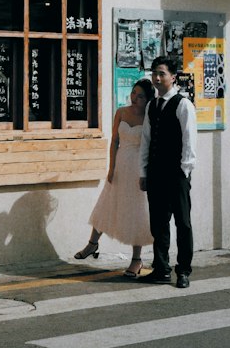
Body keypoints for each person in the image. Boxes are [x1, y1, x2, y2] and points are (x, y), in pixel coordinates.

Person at [75, 78, 154, 277]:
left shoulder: (149, 117)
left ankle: (137, 258)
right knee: (108, 203)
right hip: (121, 164)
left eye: (141, 95)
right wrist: (111, 168)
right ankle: (92, 243)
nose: (135, 98)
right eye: (134, 93)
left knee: (138, 210)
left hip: (139, 166)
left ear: (148, 99)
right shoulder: (121, 112)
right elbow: (114, 142)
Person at [138, 55, 196, 288]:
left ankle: (183, 270)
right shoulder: (152, 105)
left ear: (173, 77)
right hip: (155, 173)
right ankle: (161, 268)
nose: (157, 78)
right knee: (158, 223)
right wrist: (143, 172)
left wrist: (185, 170)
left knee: (183, 223)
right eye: (154, 73)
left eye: (162, 73)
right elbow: (146, 141)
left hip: (177, 173)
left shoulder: (183, 104)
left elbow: (190, 140)